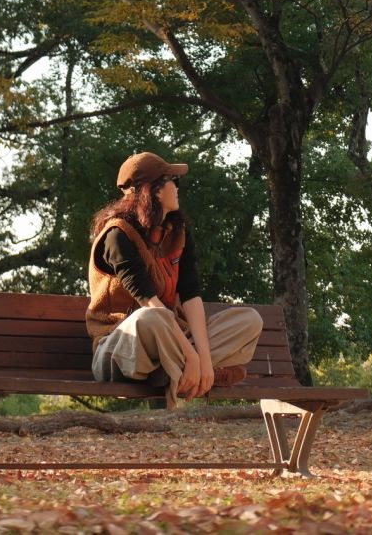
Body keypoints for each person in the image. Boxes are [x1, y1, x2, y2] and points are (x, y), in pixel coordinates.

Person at [86, 150, 263, 407]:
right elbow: (149, 303)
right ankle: (191, 374)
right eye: (173, 181)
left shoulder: (177, 232)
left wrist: (202, 357)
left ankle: (175, 374)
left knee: (249, 320)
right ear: (154, 189)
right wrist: (192, 357)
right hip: (120, 349)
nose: (178, 188)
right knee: (153, 317)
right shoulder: (117, 235)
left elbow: (191, 295)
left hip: (169, 343)